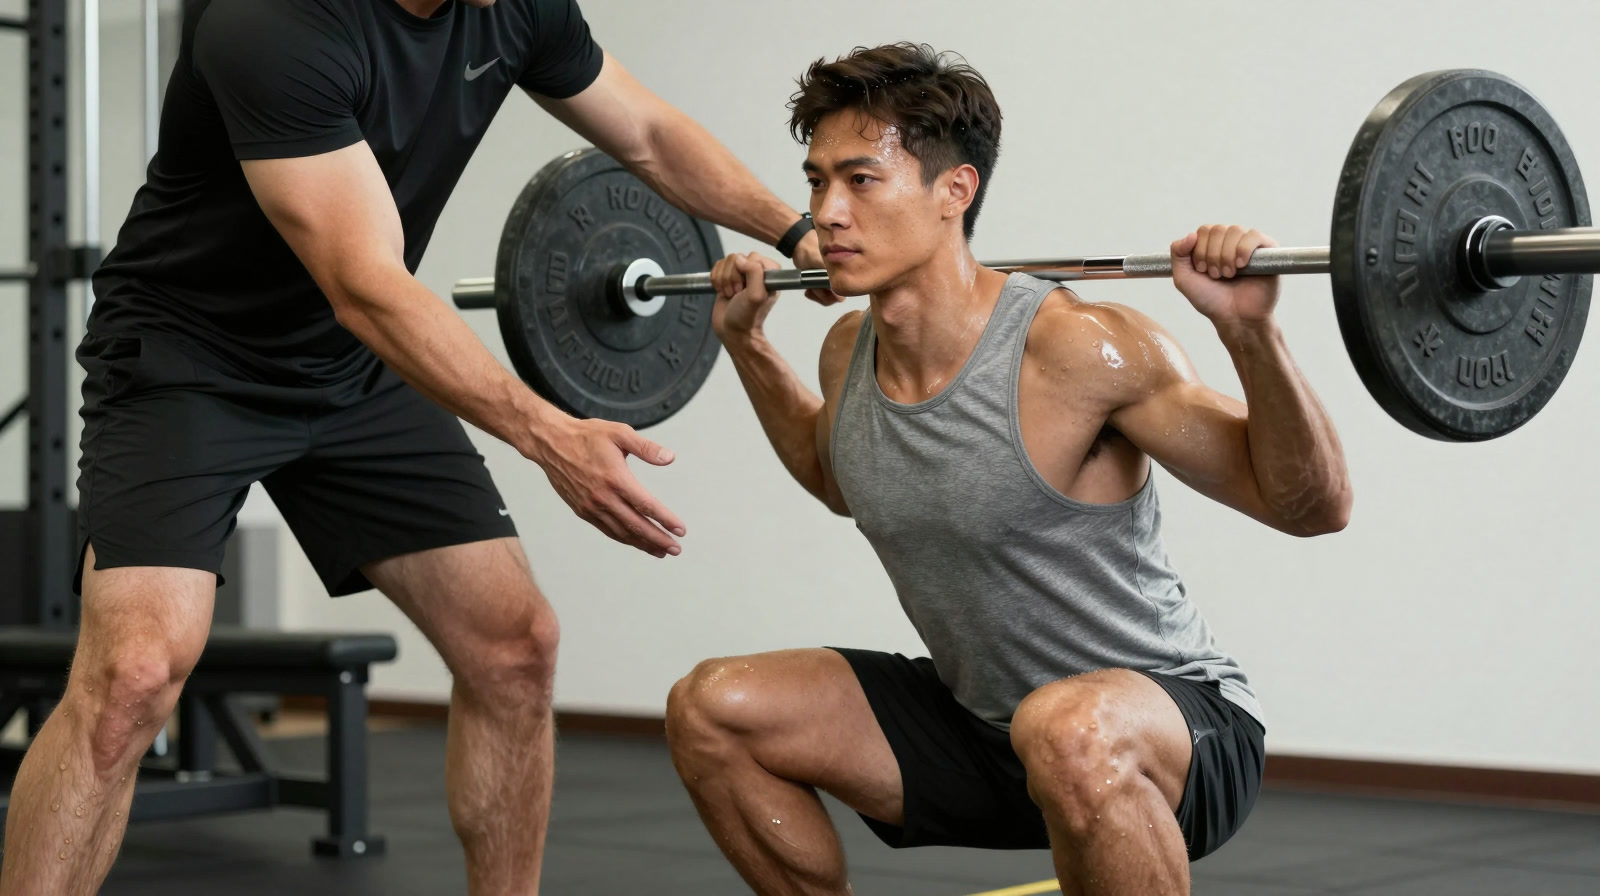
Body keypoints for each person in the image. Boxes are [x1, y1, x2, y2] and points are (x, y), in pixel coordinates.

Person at [0, 1, 830, 893]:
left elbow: (652, 135)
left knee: (515, 646)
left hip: (351, 362)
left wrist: (793, 231)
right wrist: (547, 435)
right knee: (133, 676)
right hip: (191, 360)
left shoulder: (515, 7)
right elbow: (367, 285)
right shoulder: (270, 23)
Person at [665, 42, 1352, 896]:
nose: (825, 213)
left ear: (955, 191)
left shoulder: (1080, 349)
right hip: (982, 727)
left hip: (1169, 729)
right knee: (713, 709)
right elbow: (841, 481)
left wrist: (1252, 334)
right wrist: (750, 347)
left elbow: (1312, 506)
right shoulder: (850, 350)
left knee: (1065, 727)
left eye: (861, 181)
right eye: (816, 182)